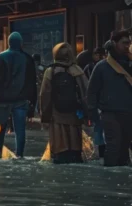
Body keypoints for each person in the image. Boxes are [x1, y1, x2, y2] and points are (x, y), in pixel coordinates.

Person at [39, 43, 90, 164]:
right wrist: (88, 115)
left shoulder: (50, 72)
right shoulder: (78, 71)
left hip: (56, 117)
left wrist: (45, 117)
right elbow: (86, 94)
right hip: (75, 116)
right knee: (75, 151)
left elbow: (45, 96)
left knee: (60, 151)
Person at [0, 32, 38, 159]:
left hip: (4, 99)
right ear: (21, 43)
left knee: (1, 129)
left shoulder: (1, 57)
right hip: (21, 100)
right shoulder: (28, 58)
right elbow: (32, 83)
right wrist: (33, 103)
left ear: (9, 42)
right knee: (20, 130)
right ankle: (19, 155)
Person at [88, 31, 132, 167]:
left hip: (128, 112)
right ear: (114, 43)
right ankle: (110, 175)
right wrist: (92, 112)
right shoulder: (102, 66)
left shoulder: (130, 64)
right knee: (113, 146)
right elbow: (92, 91)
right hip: (109, 112)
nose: (127, 46)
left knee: (125, 147)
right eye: (124, 43)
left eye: (129, 43)